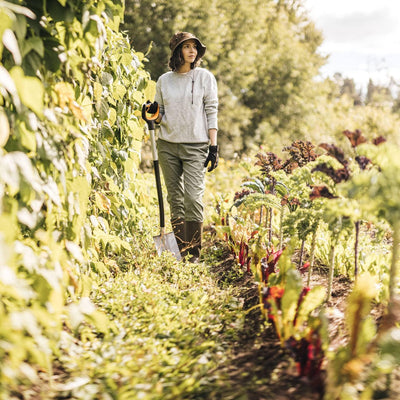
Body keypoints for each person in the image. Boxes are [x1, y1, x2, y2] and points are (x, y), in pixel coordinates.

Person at [147, 31, 219, 263]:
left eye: (194, 47)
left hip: (196, 146)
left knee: (193, 197)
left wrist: (214, 146)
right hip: (168, 145)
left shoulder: (205, 78)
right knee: (175, 198)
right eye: (186, 46)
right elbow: (160, 115)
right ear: (177, 51)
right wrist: (152, 114)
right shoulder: (164, 81)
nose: (192, 51)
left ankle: (193, 253)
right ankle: (180, 251)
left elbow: (211, 110)